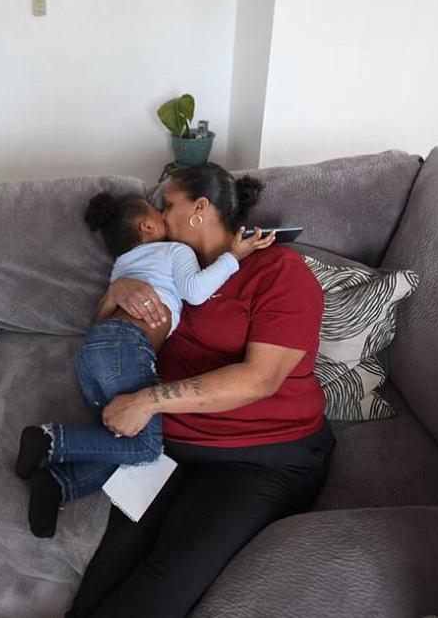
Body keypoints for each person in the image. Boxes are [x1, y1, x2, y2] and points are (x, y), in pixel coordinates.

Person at [64, 164, 335, 618]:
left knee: (168, 574)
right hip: (173, 446)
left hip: (261, 453)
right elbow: (110, 342)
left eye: (167, 205)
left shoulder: (279, 271)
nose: (158, 218)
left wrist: (147, 400)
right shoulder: (164, 269)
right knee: (112, 558)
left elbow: (260, 379)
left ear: (199, 209)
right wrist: (117, 292)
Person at [16, 191, 275, 537]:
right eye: (161, 211)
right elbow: (196, 291)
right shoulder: (175, 250)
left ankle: (57, 484)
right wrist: (234, 256)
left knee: (117, 437)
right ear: (149, 225)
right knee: (145, 446)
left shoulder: (123, 264)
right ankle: (50, 441)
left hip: (94, 349)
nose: (167, 216)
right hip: (128, 348)